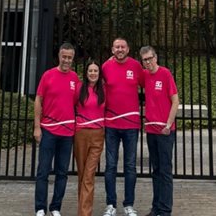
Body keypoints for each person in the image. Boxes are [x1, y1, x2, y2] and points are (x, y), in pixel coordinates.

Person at [34, 42, 79, 216]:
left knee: (62, 172)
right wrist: (37, 127)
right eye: (64, 57)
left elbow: (79, 102)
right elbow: (39, 100)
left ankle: (55, 207)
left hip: (67, 133)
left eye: (69, 57)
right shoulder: (48, 75)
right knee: (43, 171)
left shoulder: (75, 78)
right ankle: (40, 207)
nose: (66, 60)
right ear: (59, 56)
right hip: (48, 130)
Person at [102, 37, 141, 216]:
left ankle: (129, 205)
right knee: (110, 166)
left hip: (131, 126)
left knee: (130, 166)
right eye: (117, 47)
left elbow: (148, 87)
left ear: (128, 49)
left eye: (123, 46)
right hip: (111, 124)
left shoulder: (136, 66)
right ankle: (111, 204)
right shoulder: (105, 67)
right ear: (112, 49)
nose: (120, 49)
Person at [140, 46, 178, 216]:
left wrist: (168, 125)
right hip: (151, 130)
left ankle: (165, 209)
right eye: (145, 60)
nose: (148, 62)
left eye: (150, 58)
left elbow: (175, 101)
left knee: (165, 171)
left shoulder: (165, 74)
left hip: (164, 131)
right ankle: (156, 208)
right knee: (156, 170)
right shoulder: (145, 75)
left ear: (156, 57)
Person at [74, 60, 106, 216]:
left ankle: (84, 213)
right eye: (90, 71)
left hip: (97, 136)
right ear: (86, 73)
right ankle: (82, 209)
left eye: (96, 71)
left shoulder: (104, 90)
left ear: (99, 74)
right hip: (80, 134)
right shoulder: (79, 88)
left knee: (89, 175)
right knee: (82, 174)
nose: (93, 73)